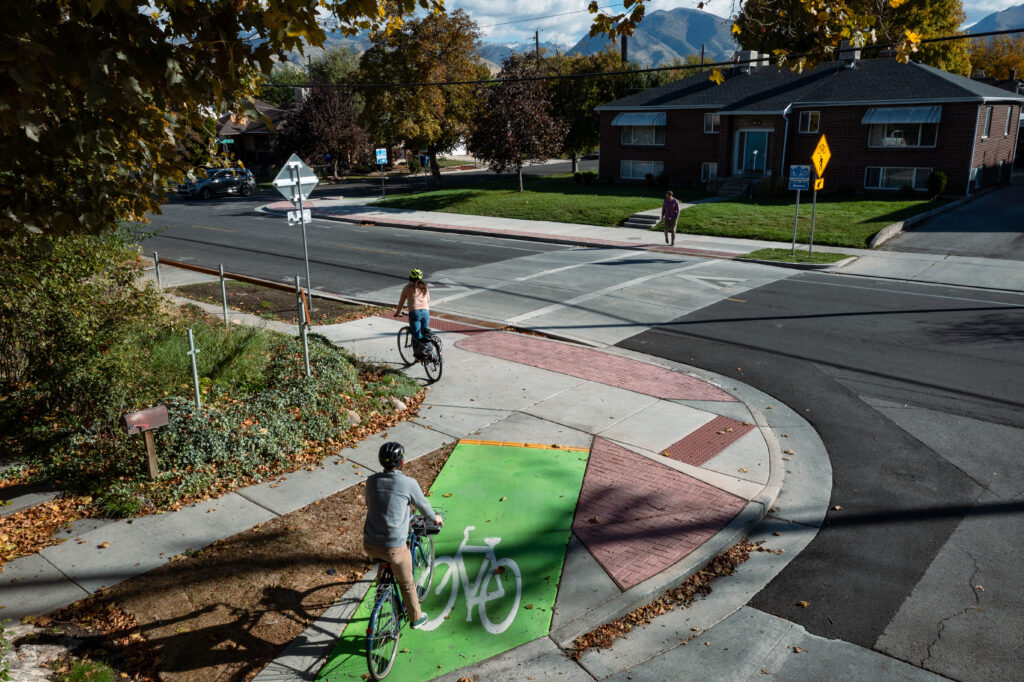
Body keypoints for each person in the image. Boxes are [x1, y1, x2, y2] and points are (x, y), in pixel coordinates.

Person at [363, 442, 443, 629]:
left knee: (384, 564)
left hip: (370, 543)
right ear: (402, 462)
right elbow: (423, 507)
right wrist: (435, 518)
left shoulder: (371, 481)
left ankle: (380, 600)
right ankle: (416, 618)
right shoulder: (408, 483)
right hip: (394, 547)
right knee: (407, 584)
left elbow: (372, 503)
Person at [395, 268, 431, 360]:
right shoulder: (425, 287)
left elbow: (401, 302)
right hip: (426, 312)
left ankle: (420, 356)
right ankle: (430, 352)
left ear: (410, 277)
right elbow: (428, 300)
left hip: (415, 313)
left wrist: (397, 313)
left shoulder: (407, 288)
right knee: (424, 334)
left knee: (416, 336)